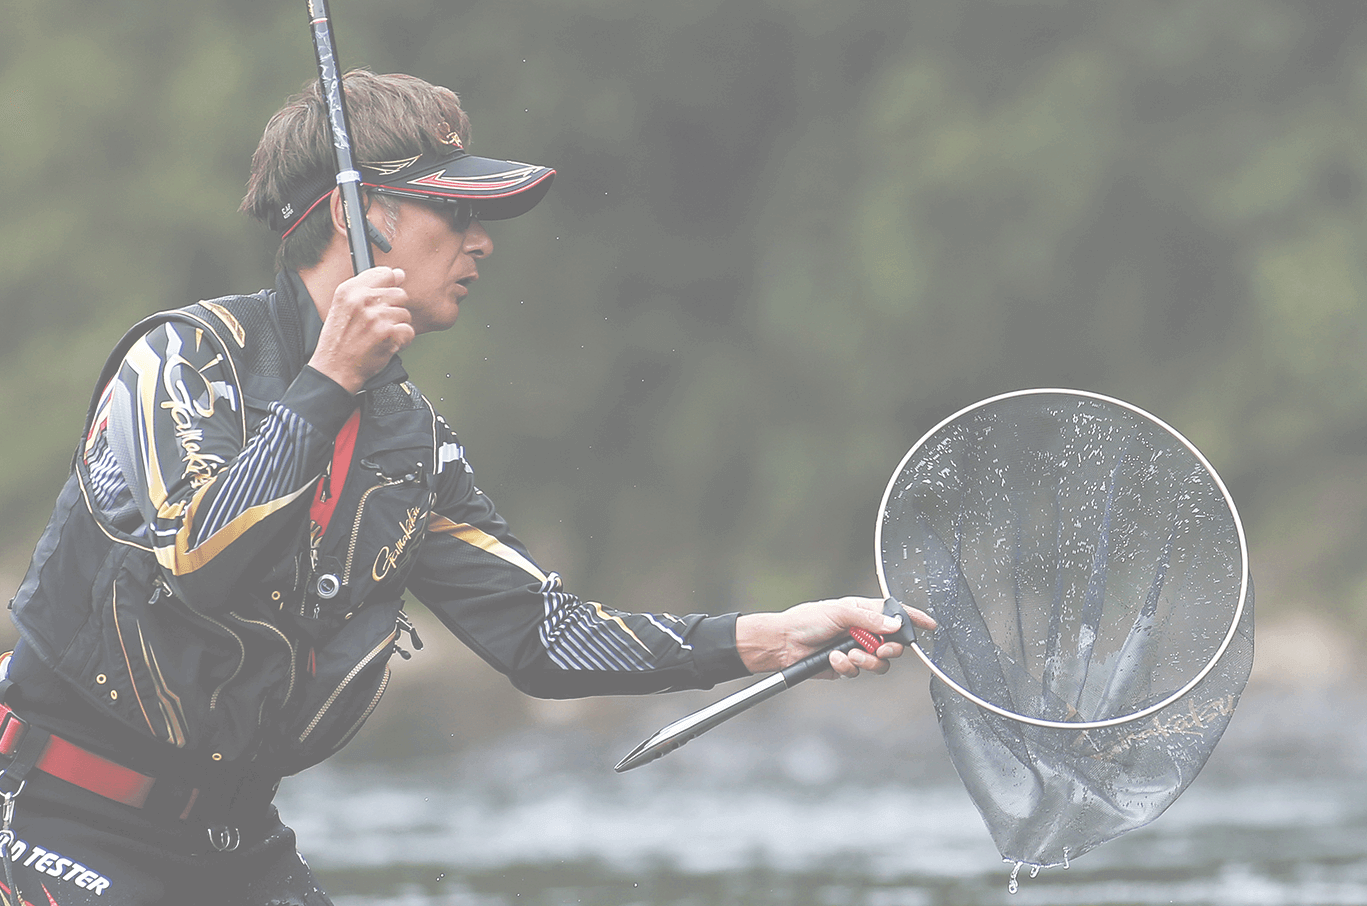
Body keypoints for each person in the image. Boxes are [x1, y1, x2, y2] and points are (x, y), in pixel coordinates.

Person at [0, 69, 935, 905]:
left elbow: (542, 638)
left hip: (233, 843)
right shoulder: (183, 359)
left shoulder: (409, 442)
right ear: (356, 216)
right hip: (57, 818)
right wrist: (326, 385)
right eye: (457, 214)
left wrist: (776, 635)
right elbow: (202, 560)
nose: (482, 244)